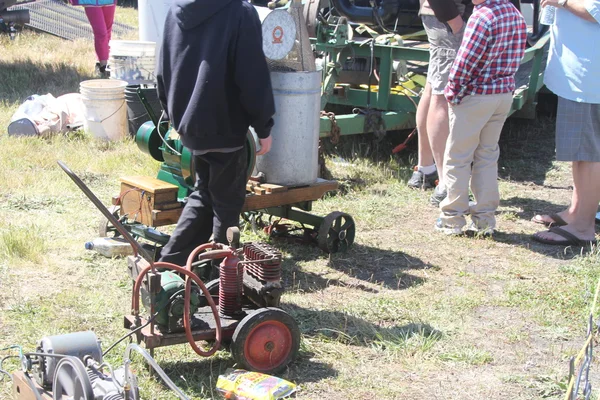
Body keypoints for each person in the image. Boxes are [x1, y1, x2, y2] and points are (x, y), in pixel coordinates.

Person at [155, 0, 276, 266]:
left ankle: (170, 265)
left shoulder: (176, 9)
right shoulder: (240, 12)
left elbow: (162, 67)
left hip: (189, 123)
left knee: (204, 194)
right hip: (225, 124)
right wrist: (263, 126)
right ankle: (220, 279)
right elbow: (252, 76)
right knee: (227, 204)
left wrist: (173, 114)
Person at [434, 0, 527, 236]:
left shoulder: (482, 16)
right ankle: (485, 219)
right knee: (487, 154)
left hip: (477, 95)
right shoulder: (514, 13)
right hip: (502, 94)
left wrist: (452, 91)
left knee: (458, 157)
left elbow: (465, 61)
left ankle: (452, 218)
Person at [531, 0, 599, 247]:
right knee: (581, 152)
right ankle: (577, 211)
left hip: (588, 76)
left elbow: (596, 10)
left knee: (589, 154)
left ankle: (583, 226)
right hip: (581, 74)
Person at [407, 0, 468, 207]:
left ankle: (425, 169)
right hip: (449, 12)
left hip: (443, 13)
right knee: (441, 94)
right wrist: (455, 20)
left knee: (434, 87)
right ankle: (445, 183)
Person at [69, 0, 116, 78]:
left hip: (109, 1)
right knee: (101, 33)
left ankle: (101, 61)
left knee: (107, 32)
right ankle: (103, 66)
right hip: (91, 2)